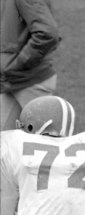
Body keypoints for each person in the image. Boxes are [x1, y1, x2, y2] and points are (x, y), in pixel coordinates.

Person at [0, 0, 60, 131]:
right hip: (10, 81)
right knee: (5, 144)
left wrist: (17, 64)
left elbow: (47, 33)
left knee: (46, 143)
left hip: (30, 82)